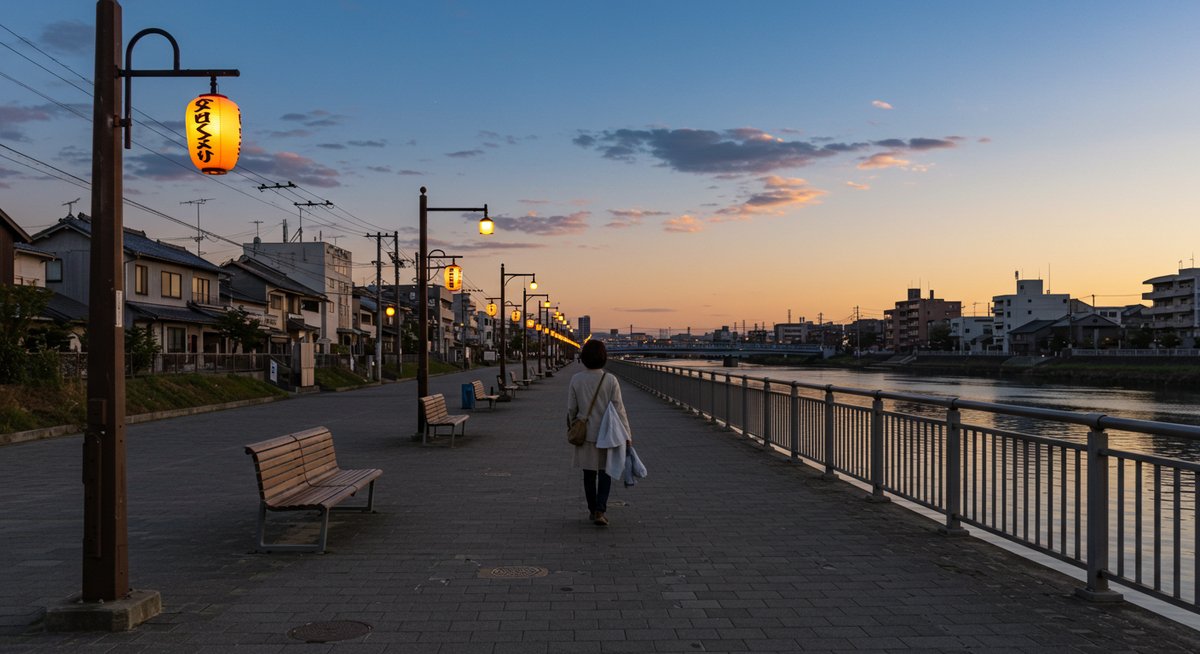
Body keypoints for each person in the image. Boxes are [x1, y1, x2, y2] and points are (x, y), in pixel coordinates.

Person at [566, 340, 632, 527]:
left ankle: (592, 508)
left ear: (584, 357)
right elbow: (619, 409)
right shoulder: (610, 380)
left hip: (586, 433)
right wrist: (627, 434)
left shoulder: (576, 379)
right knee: (605, 473)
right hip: (607, 434)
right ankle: (600, 511)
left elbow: (571, 408)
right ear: (604, 357)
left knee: (588, 474)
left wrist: (573, 425)